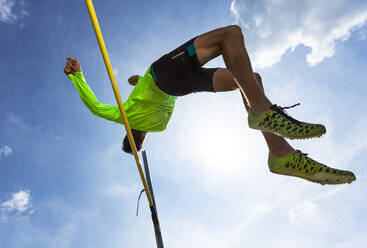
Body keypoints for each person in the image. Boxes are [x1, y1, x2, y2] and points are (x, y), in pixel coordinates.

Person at [64, 25, 355, 185]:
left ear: (141, 140)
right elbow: (97, 107)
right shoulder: (125, 116)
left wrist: (139, 83)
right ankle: (265, 117)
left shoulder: (159, 126)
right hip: (166, 73)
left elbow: (160, 98)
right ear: (129, 133)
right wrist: (78, 75)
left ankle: (280, 152)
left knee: (249, 79)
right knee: (231, 36)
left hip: (179, 84)